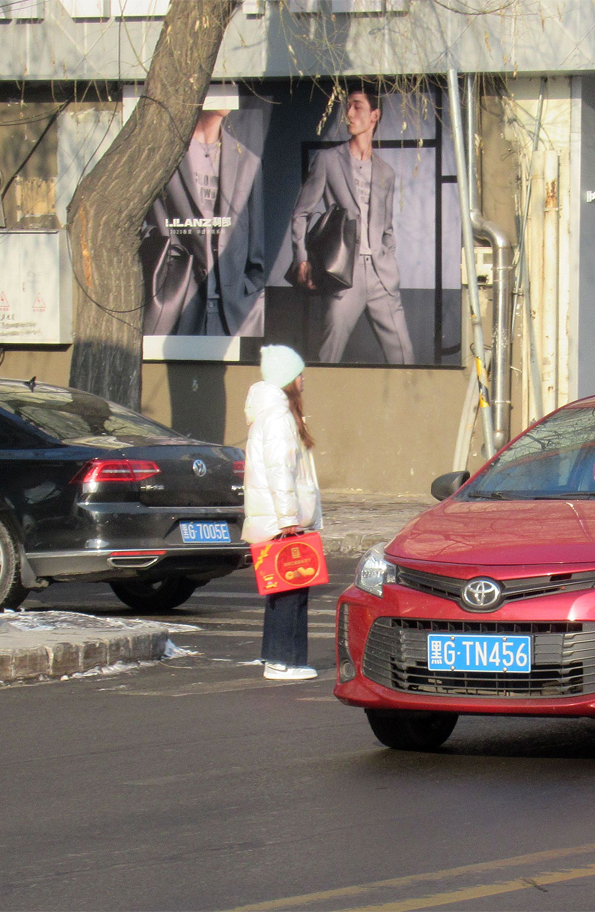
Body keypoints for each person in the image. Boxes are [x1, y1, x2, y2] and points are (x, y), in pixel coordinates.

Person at [289, 82, 414, 364]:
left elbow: (387, 229)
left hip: (382, 276)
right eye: (348, 106)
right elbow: (300, 213)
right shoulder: (327, 160)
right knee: (328, 357)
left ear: (374, 116)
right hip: (345, 274)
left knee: (406, 359)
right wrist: (301, 258)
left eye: (357, 106)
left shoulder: (386, 173)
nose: (349, 113)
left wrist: (390, 264)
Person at [142, 104, 265, 338]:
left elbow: (257, 246)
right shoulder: (162, 155)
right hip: (174, 309)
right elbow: (141, 226)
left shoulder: (249, 161)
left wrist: (246, 290)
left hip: (233, 314)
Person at [242, 345, 323, 681]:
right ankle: (282, 661)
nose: (304, 380)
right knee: (292, 588)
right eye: (300, 373)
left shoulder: (271, 413)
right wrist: (290, 519)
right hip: (282, 520)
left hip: (275, 517)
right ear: (289, 379)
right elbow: (280, 471)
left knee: (280, 589)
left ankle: (273, 656)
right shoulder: (278, 417)